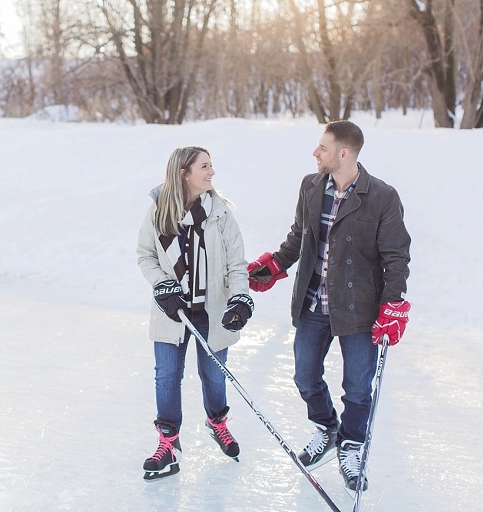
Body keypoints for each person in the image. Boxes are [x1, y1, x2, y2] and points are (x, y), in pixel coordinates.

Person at [247, 120, 411, 493]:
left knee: (357, 387)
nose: (314, 153)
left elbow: (395, 257)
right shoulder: (311, 186)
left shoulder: (382, 196)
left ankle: (351, 444)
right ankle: (327, 427)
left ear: (344, 153)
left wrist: (393, 305)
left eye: (322, 147)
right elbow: (298, 238)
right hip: (312, 303)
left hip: (359, 309)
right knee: (305, 376)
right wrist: (274, 264)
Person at [136, 146, 253, 480]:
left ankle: (217, 422)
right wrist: (162, 285)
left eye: (212, 165)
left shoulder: (221, 214)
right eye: (205, 167)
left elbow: (236, 263)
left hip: (211, 312)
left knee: (214, 375)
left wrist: (240, 298)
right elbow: (146, 255)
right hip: (172, 313)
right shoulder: (159, 213)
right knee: (167, 377)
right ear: (184, 173)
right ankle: (168, 445)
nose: (212, 173)